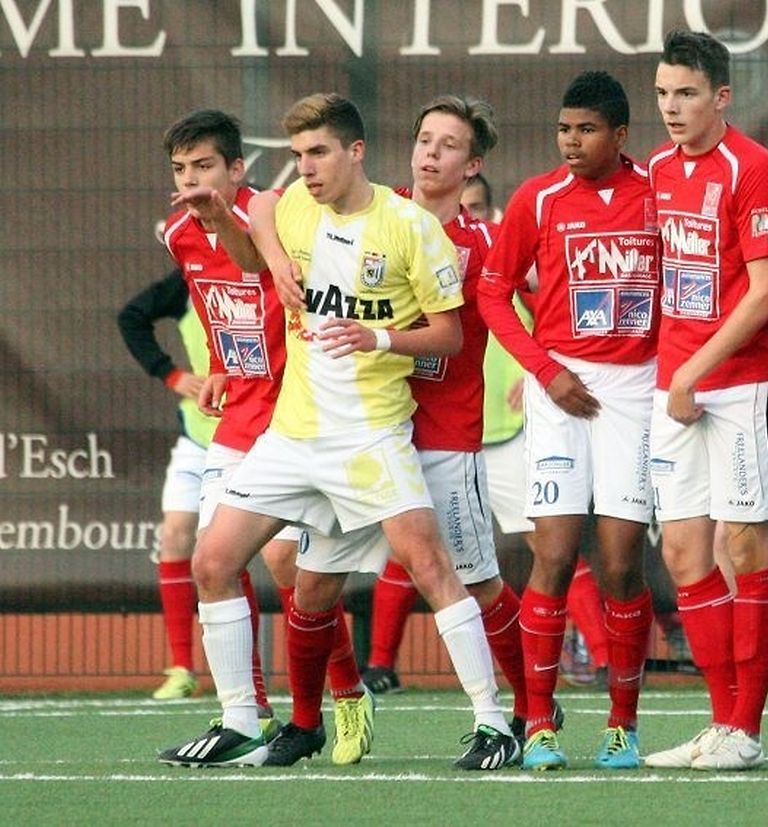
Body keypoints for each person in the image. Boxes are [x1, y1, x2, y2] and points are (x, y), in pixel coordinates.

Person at [158, 93, 518, 770]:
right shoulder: (294, 203)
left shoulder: (409, 226)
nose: (305, 167)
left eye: (318, 152)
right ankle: (244, 721)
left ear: (356, 151)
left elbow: (449, 334)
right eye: (297, 155)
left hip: (370, 438)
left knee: (434, 569)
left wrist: (375, 335)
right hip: (293, 438)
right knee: (213, 562)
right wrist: (243, 232)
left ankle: (495, 724)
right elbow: (261, 223)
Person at [153, 109, 372, 767]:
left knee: (289, 569)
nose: (191, 180)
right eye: (180, 169)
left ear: (237, 169)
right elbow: (220, 305)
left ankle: (349, 692)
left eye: (204, 166)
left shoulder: (277, 218)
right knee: (212, 562)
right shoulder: (179, 233)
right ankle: (244, 717)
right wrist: (224, 364)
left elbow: (294, 293)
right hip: (242, 414)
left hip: (299, 415)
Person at [478, 70, 658, 771]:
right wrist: (545, 370)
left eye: (586, 130)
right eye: (563, 129)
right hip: (559, 388)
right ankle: (538, 725)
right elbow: (494, 293)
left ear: (620, 134)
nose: (571, 142)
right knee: (551, 553)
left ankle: (622, 725)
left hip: (634, 391)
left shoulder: (656, 195)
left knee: (620, 563)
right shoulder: (539, 197)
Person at [358, 95, 545, 754]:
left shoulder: (485, 243)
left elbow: (544, 301)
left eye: (449, 145)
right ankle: (308, 714)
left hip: (445, 431)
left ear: (472, 165)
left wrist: (541, 367)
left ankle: (531, 707)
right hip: (365, 426)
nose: (431, 153)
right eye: (424, 140)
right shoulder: (372, 215)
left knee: (476, 577)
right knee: (303, 570)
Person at [642, 30, 768, 772]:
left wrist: (693, 370)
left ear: (721, 97)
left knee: (745, 545)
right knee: (681, 551)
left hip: (740, 386)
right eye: (663, 93)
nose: (672, 107)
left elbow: (765, 291)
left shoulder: (751, 166)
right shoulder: (658, 168)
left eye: (687, 94)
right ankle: (721, 721)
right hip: (676, 386)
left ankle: (746, 729)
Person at [118, 266, 218, 700]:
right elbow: (131, 316)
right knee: (175, 536)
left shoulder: (268, 271)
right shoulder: (189, 277)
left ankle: (253, 674)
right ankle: (182, 668)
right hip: (198, 436)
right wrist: (171, 374)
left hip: (259, 436)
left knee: (270, 556)